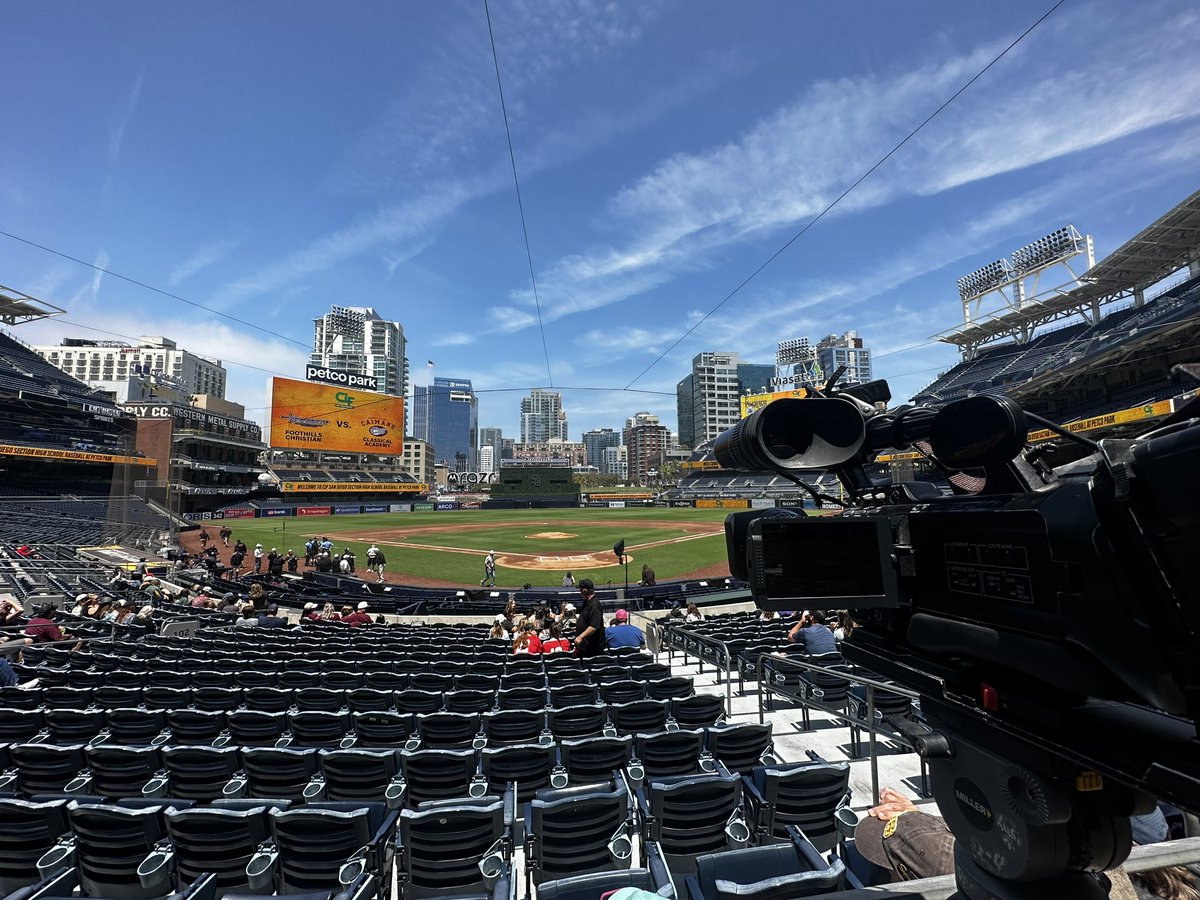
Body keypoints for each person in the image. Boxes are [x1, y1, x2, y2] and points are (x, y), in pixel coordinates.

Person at [573, 579, 605, 657]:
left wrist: (581, 637)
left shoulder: (595, 605)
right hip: (584, 646)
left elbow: (594, 626)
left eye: (580, 589)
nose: (579, 591)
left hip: (592, 648)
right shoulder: (586, 601)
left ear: (585, 590)